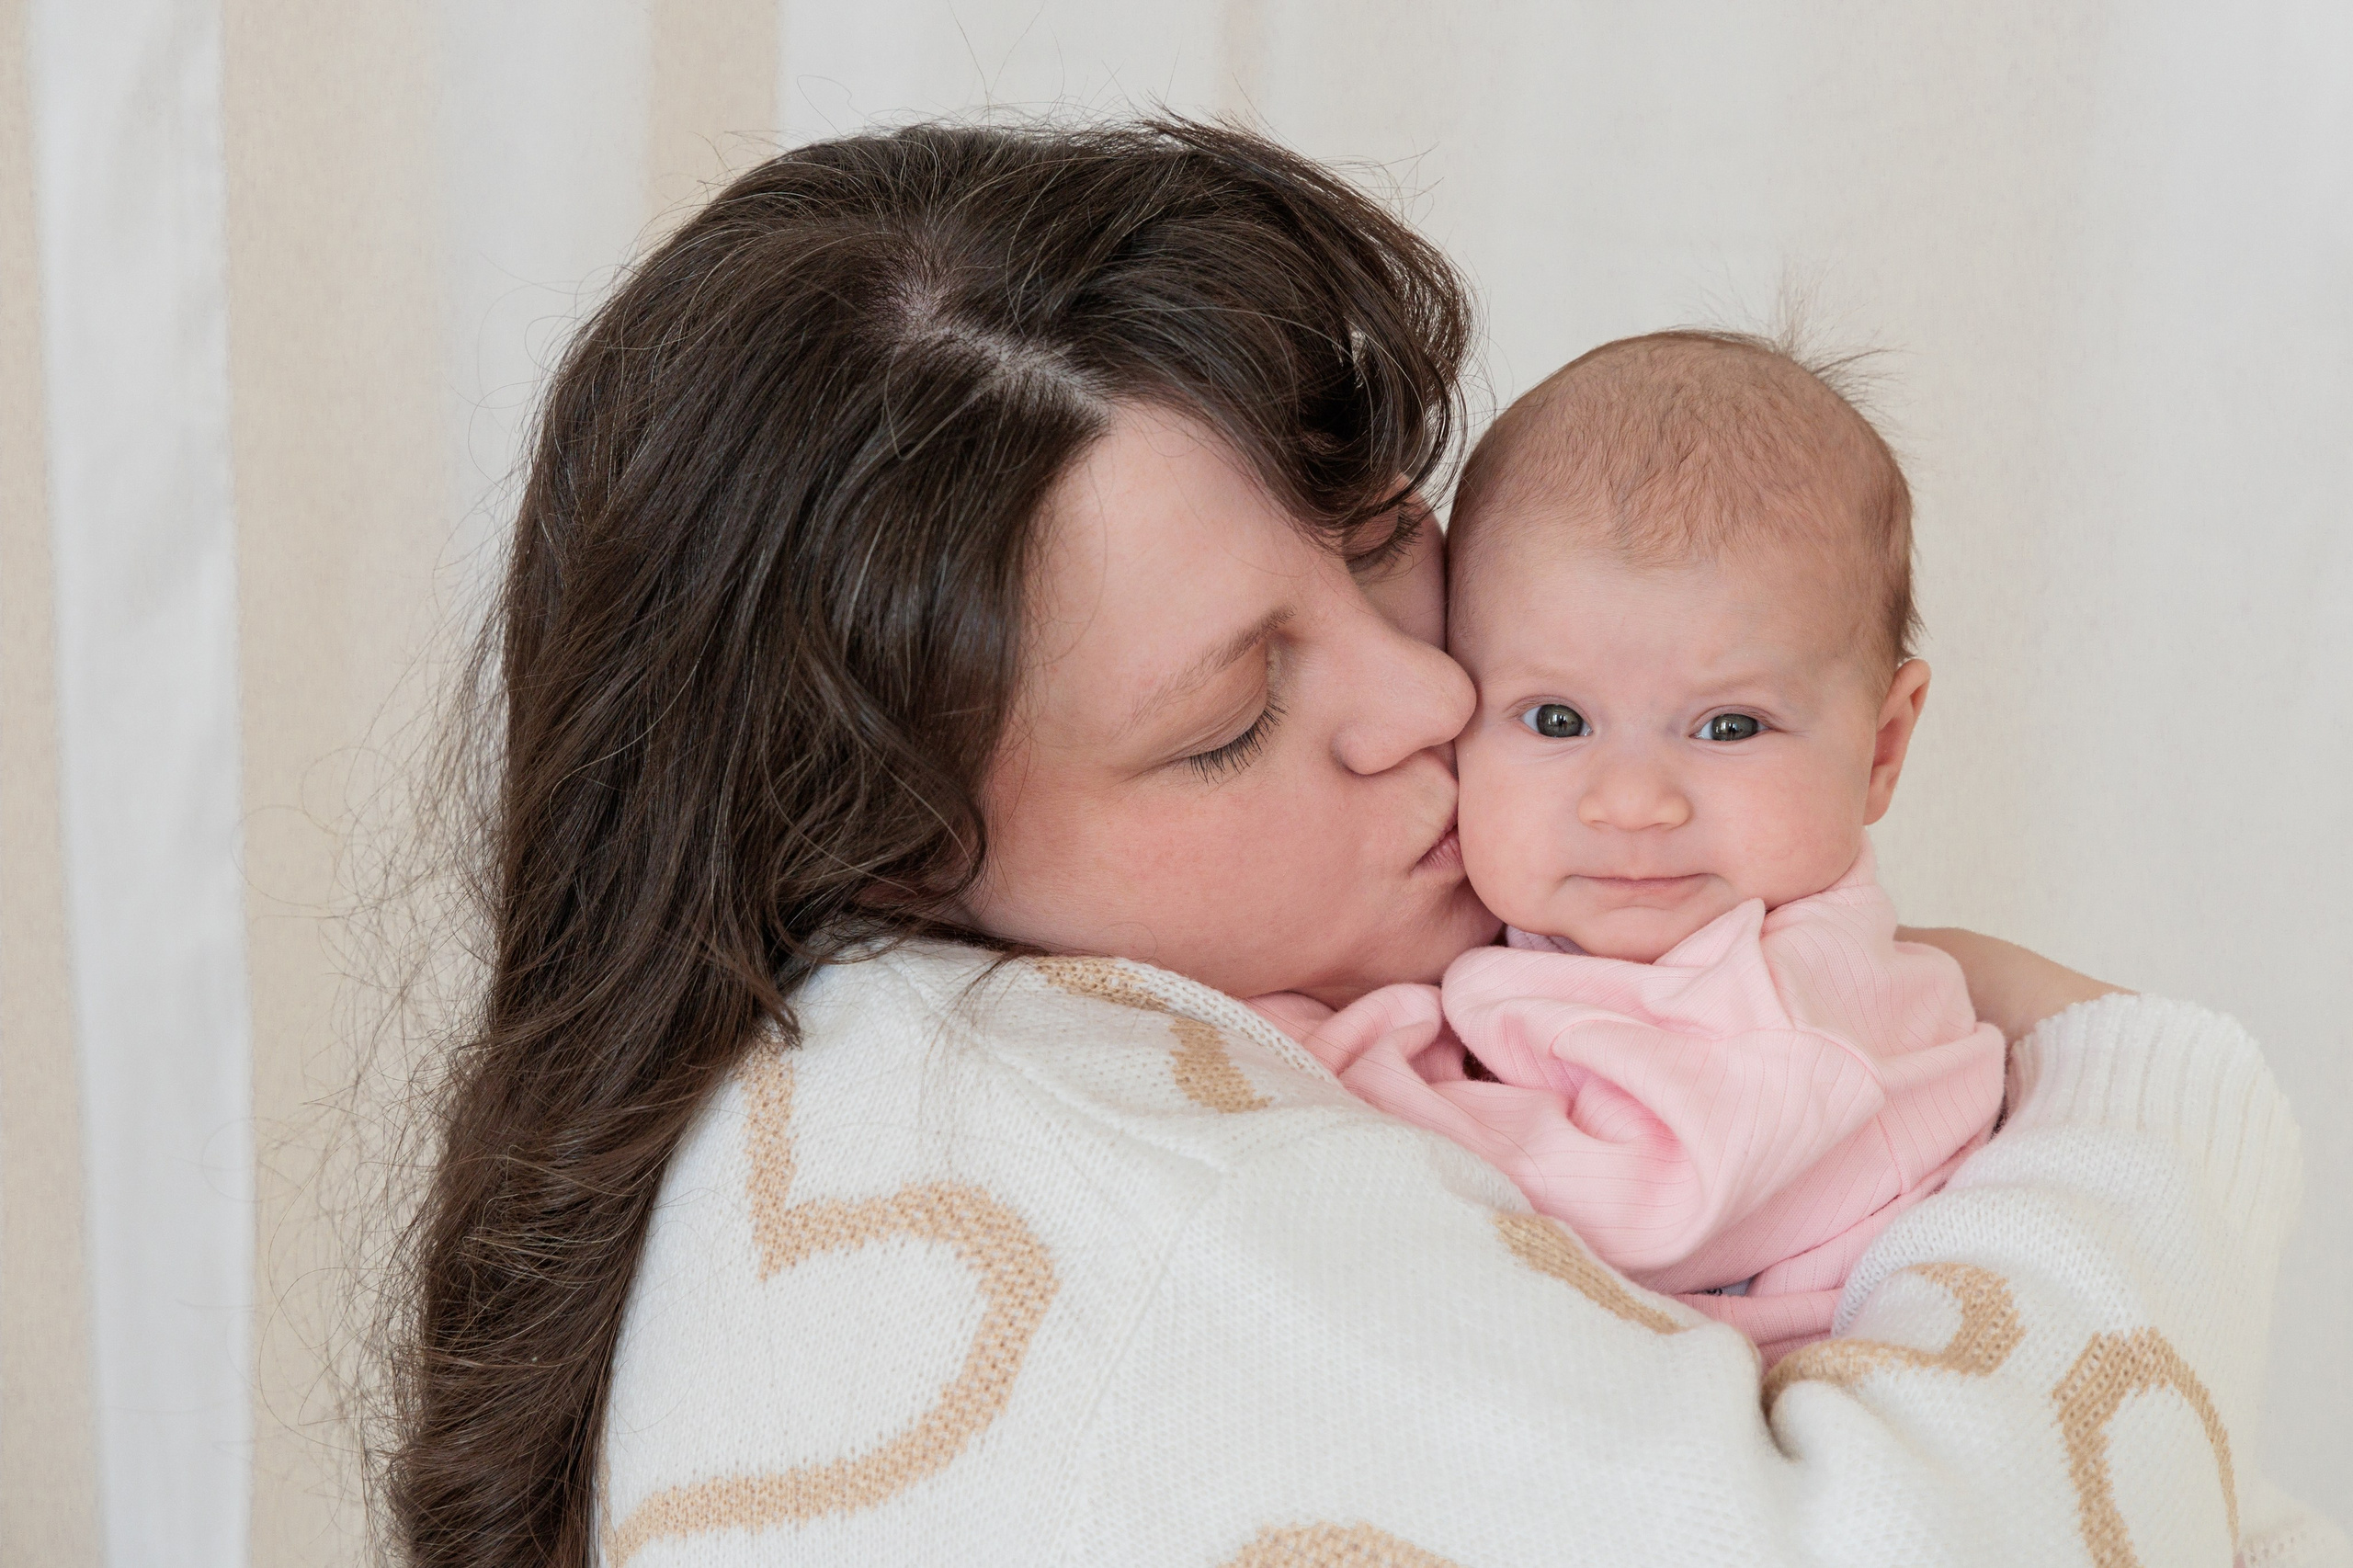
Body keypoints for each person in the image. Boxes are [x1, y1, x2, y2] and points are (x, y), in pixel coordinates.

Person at [383, 119, 2339, 1568]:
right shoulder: (1046, 1144)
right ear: (885, 848)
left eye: (1384, 534)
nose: (1429, 708)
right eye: (1230, 723)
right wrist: (2125, 1079)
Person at [1249, 331, 2005, 1365]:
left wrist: (1349, 1064)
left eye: (1727, 726)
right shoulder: (1593, 939)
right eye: (1555, 720)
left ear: (1879, 748)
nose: (1634, 802)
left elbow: (1648, 1214)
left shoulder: (1789, 1000)